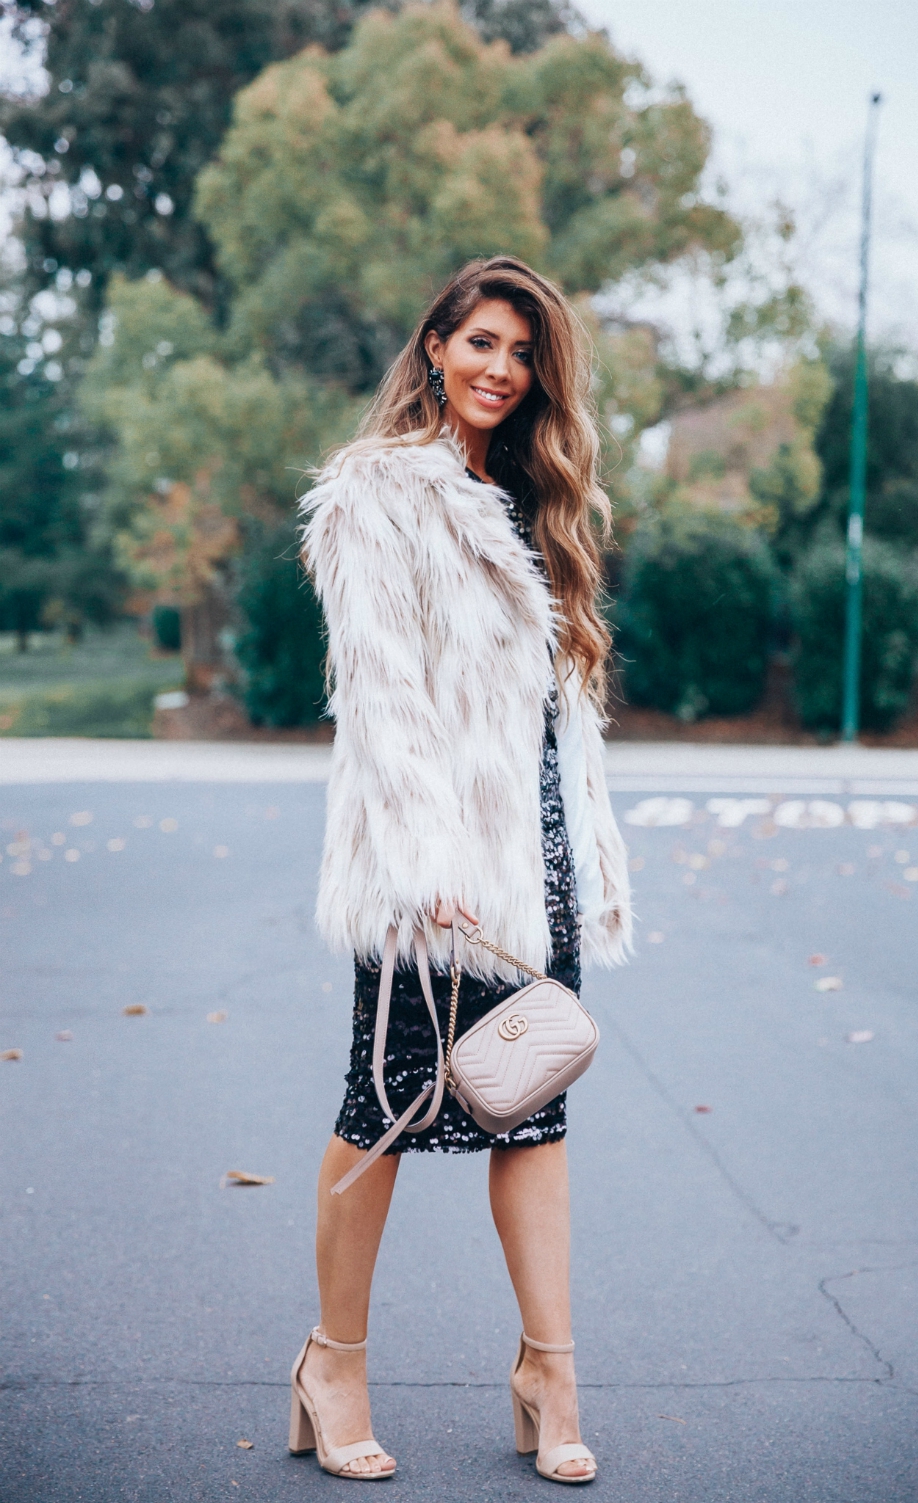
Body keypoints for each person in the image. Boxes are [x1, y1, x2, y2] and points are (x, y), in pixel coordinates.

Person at [293, 256, 632, 1483]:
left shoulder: (533, 499)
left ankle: (550, 1369)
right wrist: (429, 854)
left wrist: (581, 852)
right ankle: (334, 1361)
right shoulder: (375, 495)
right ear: (434, 344)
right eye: (481, 341)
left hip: (531, 847)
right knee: (383, 1107)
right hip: (428, 854)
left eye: (524, 352)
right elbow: (384, 698)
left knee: (530, 1103)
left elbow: (555, 711)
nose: (501, 368)